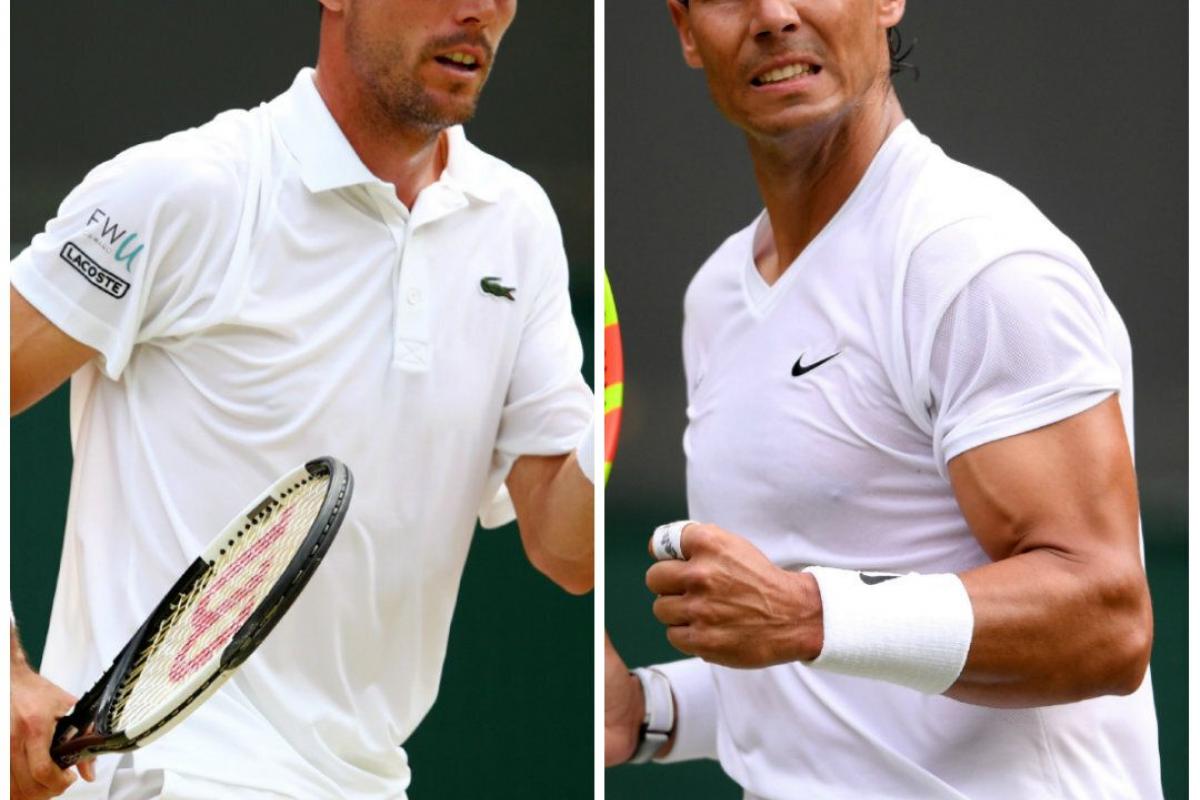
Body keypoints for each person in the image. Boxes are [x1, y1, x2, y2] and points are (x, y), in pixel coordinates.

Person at [10, 1, 594, 798]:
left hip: (365, 781)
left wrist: (607, 438)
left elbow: (567, 549)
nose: (480, 11)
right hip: (168, 778)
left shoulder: (515, 223)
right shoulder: (185, 190)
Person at [604, 0, 1162, 797]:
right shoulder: (719, 295)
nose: (773, 15)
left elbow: (1105, 623)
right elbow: (835, 679)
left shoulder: (977, 258)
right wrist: (648, 711)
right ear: (687, 31)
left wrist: (806, 611)